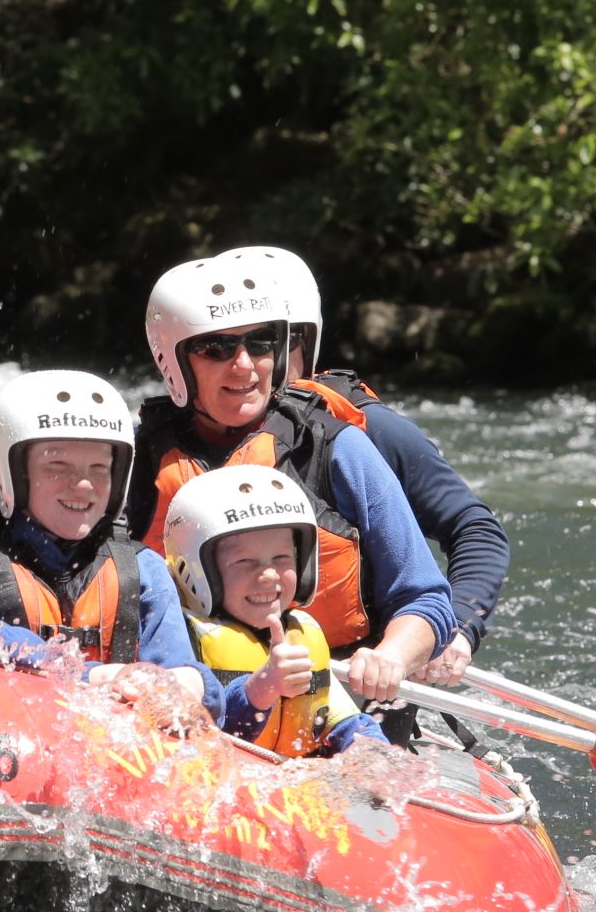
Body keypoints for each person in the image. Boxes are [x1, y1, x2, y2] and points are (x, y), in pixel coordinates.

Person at [125, 257, 457, 709]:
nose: (243, 366)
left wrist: (391, 657)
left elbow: (425, 596)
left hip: (334, 707)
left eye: (260, 343)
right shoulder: (136, 460)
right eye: (215, 348)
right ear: (175, 362)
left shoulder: (336, 448)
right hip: (191, 705)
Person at [219, 245, 509, 682]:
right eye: (223, 345)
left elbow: (474, 529)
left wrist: (456, 630)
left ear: (306, 342)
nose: (253, 361)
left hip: (354, 675)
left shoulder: (362, 430)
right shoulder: (179, 440)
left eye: (272, 339)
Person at [0, 370, 216, 711]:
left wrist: (191, 684)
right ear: (11, 472)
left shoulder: (142, 568)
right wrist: (96, 676)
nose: (82, 485)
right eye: (57, 465)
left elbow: (176, 667)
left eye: (98, 468)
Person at [162, 468, 387, 757]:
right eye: (244, 561)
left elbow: (345, 722)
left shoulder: (301, 635)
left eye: (282, 558)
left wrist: (378, 756)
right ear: (193, 565)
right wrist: (260, 689)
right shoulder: (178, 640)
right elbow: (191, 736)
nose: (269, 575)